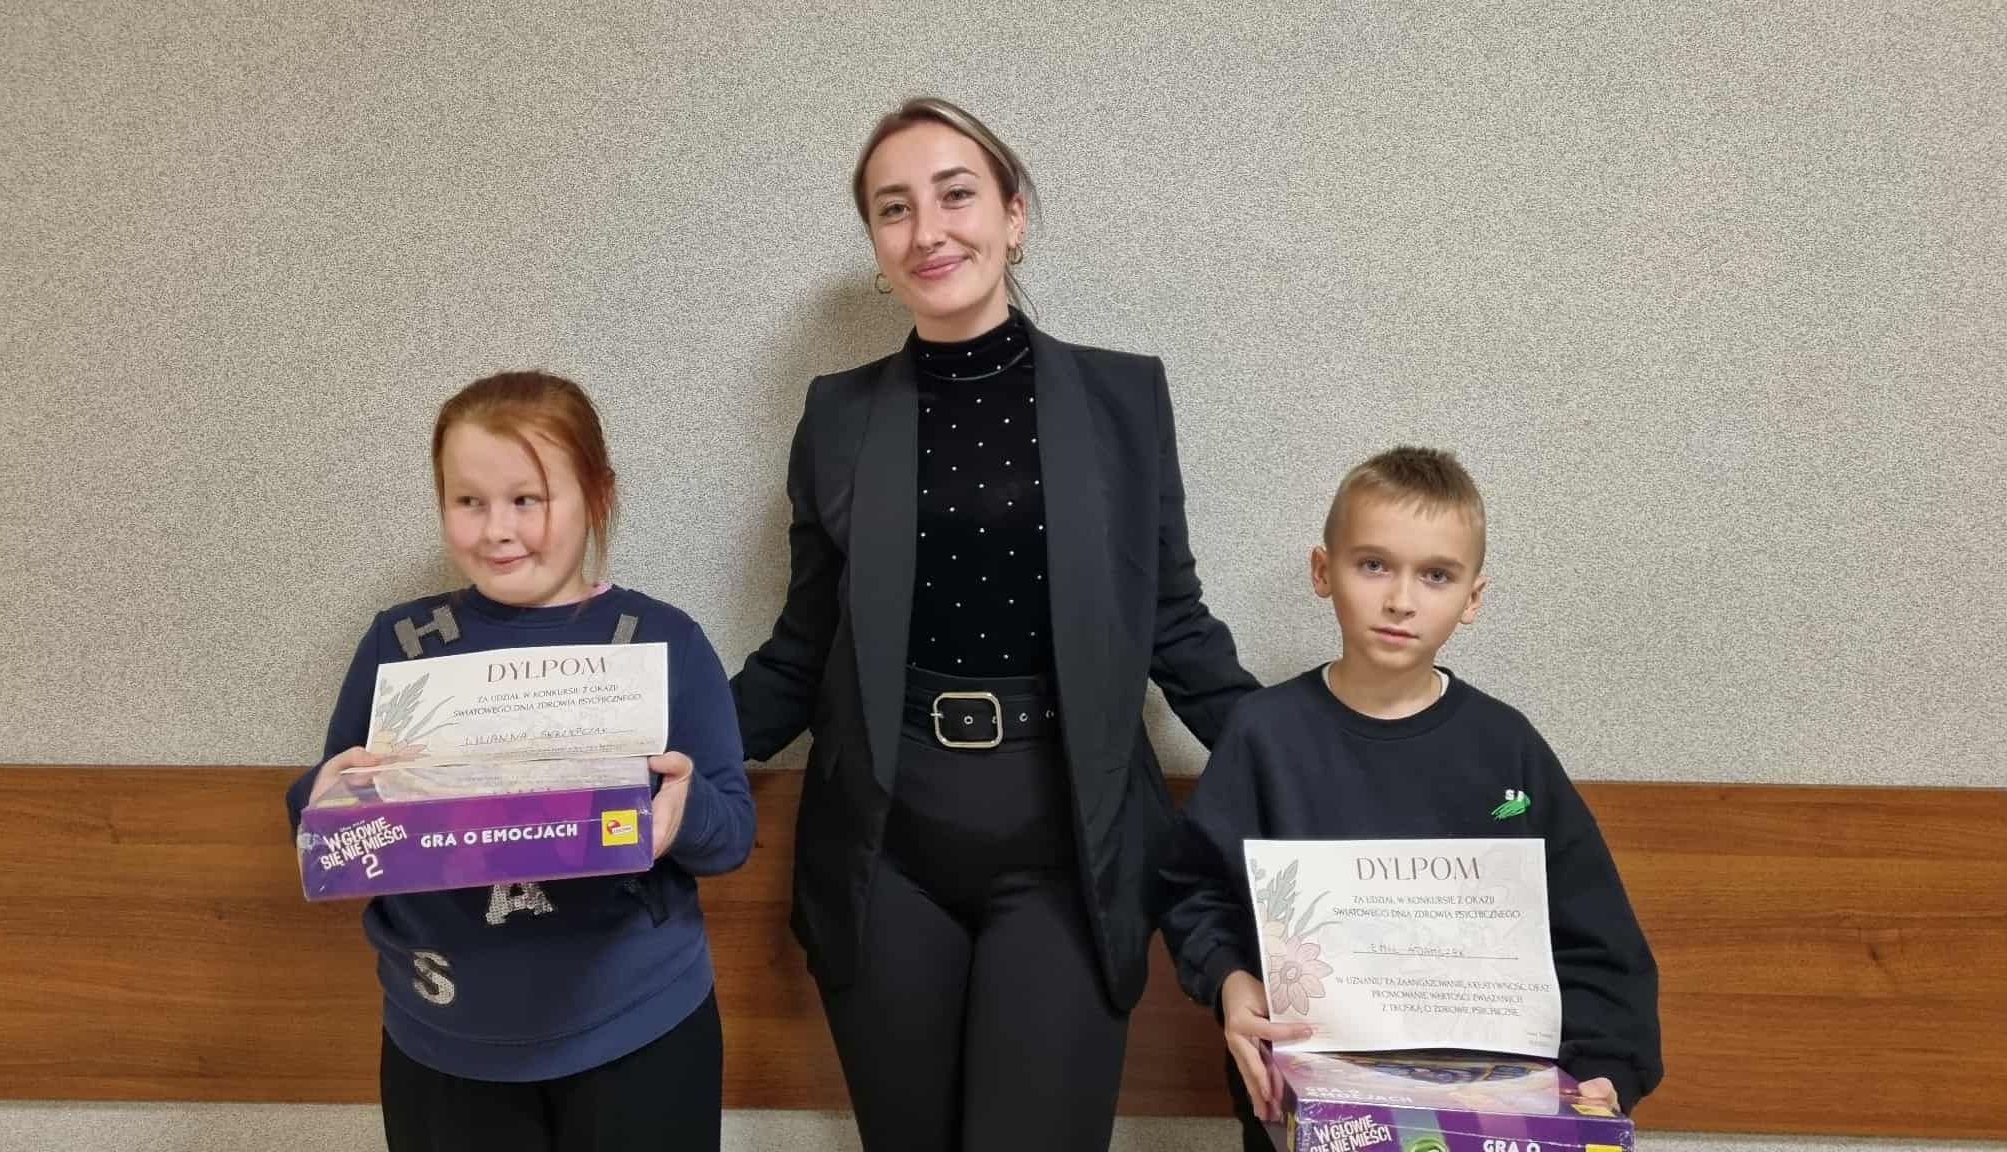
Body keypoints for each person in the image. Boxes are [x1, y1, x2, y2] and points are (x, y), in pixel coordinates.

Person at [730, 97, 1259, 1151]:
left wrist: (1318, 757)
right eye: (893, 208)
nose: (927, 230)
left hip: (1068, 844)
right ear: (876, 246)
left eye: (955, 195)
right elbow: (801, 653)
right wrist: (631, 753)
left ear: (1013, 216)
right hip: (886, 847)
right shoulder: (837, 416)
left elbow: (1173, 626)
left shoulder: (1122, 399)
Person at [285, 371, 755, 1151]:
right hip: (444, 1037)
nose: (497, 530)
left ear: (597, 496)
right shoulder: (400, 645)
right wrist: (322, 799)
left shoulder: (662, 640)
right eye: (469, 501)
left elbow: (732, 831)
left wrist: (682, 814)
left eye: (527, 499)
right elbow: (331, 829)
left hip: (638, 1026)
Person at [1160, 446, 1663, 1151]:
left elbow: (1592, 932)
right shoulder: (1264, 735)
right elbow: (1193, 886)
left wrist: (1606, 1067)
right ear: (1322, 571)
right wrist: (1229, 980)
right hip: (1304, 1104)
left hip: (1486, 1111)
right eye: (1374, 564)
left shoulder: (1507, 749)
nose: (1401, 599)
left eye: (1436, 575)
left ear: (1472, 598)